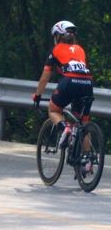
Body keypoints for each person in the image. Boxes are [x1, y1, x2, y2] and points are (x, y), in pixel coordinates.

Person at [32, 21, 93, 162]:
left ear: (58, 36)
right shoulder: (80, 49)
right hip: (87, 83)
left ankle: (65, 128)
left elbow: (45, 76)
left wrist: (37, 95)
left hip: (70, 82)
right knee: (83, 123)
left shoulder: (56, 49)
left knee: (53, 110)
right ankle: (87, 160)